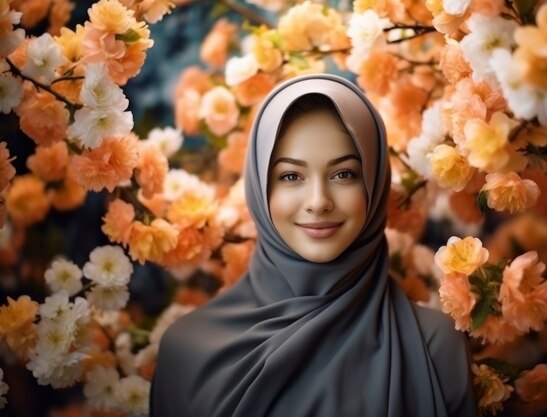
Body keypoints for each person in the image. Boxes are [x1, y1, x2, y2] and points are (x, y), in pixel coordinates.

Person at [150, 73, 477, 417]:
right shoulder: (187, 353)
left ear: (374, 182)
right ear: (261, 189)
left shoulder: (433, 346)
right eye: (291, 176)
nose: (318, 201)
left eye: (343, 174)